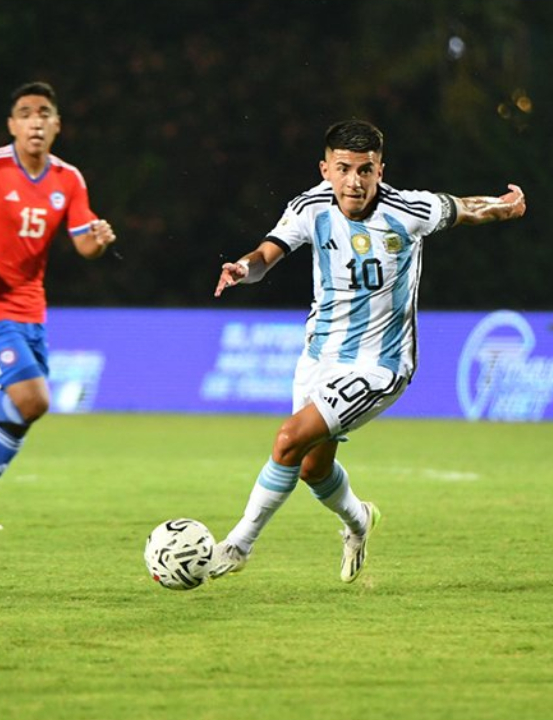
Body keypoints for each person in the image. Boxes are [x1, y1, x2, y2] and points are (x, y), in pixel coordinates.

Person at [211, 119, 526, 582]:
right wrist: (242, 268)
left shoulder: (409, 210)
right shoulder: (309, 207)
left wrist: (505, 205)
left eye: (365, 169)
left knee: (287, 439)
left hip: (381, 364)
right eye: (343, 168)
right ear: (325, 170)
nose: (354, 181)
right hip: (319, 357)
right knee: (313, 470)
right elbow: (266, 256)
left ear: (381, 170)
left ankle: (238, 545)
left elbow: (466, 209)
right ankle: (359, 522)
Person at [0, 81, 117, 531]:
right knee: (32, 401)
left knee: (20, 417)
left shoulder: (68, 179)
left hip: (32, 309)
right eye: (26, 113)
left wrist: (101, 242)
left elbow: (84, 245)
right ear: (12, 125)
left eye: (44, 112)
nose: (36, 120)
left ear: (57, 126)